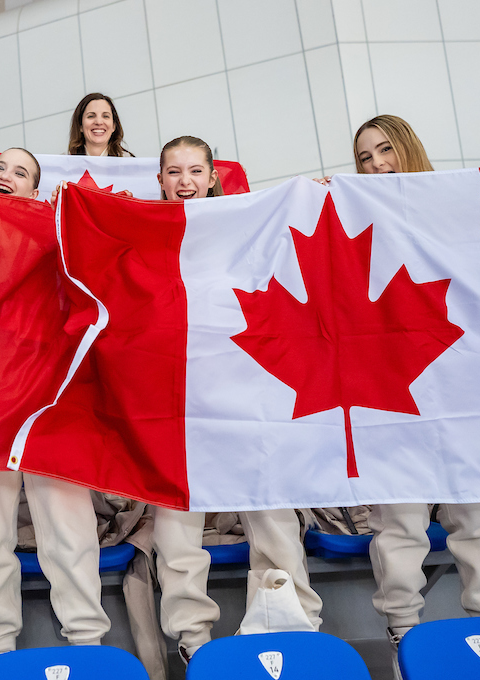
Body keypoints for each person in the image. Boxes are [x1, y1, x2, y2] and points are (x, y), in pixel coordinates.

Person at [150, 137, 323, 664]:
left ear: (211, 177)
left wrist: (314, 199)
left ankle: (292, 625)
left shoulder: (246, 224)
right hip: (174, 398)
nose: (185, 179)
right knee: (177, 521)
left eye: (195, 170)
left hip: (245, 393)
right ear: (159, 180)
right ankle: (192, 641)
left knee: (270, 512)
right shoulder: (143, 234)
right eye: (174, 170)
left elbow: (293, 253)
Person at [351, 114, 480, 666]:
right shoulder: (350, 216)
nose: (375, 165)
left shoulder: (455, 202)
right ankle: (404, 640)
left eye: (383, 151)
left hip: (460, 386)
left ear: (407, 148)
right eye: (364, 158)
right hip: (390, 390)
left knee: (479, 516)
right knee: (398, 523)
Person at [0, 147, 111, 660]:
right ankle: (0, 649)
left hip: (48, 403)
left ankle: (87, 644)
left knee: (69, 529)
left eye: (21, 172)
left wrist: (77, 215)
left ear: (35, 191)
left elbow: (107, 255)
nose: (6, 176)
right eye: (0, 168)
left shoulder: (55, 230)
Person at [67, 93, 134, 158]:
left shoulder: (129, 163)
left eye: (105, 116)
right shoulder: (64, 164)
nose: (99, 122)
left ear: (114, 126)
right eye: (91, 116)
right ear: (80, 125)